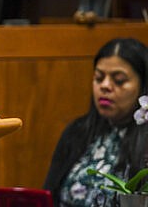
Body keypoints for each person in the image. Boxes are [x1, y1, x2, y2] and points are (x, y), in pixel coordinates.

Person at [44, 37, 148, 206]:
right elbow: (49, 195)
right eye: (99, 78)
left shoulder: (145, 142)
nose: (105, 86)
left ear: (143, 85)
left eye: (119, 80)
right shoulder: (77, 131)